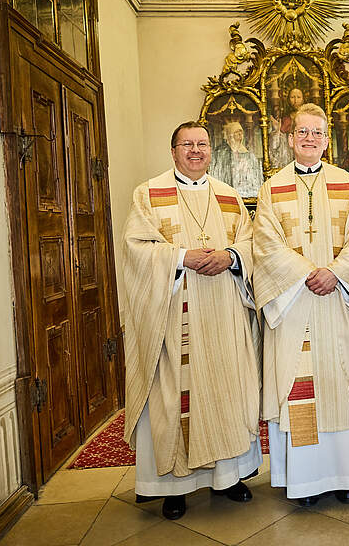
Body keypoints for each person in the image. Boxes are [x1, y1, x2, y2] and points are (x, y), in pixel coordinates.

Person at [122, 121, 261, 520]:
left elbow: (252, 245)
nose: (196, 151)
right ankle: (175, 487)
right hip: (175, 318)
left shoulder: (231, 197)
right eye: (188, 144)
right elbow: (135, 248)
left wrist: (232, 257)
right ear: (173, 151)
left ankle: (230, 477)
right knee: (174, 398)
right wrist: (180, 258)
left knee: (225, 391)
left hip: (224, 314)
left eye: (202, 144)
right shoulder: (149, 194)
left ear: (210, 151)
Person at [253, 103, 349, 506]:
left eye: (317, 133)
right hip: (295, 305)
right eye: (302, 132)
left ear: (328, 140)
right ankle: (305, 483)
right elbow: (265, 244)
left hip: (341, 301)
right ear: (290, 138)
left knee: (346, 385)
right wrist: (306, 273)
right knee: (301, 389)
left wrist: (335, 273)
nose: (309, 139)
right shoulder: (271, 188)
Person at [210, 120, 263, 198]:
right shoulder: (221, 152)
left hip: (245, 191)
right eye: (237, 132)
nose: (240, 134)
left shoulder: (248, 154)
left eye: (241, 132)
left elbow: (254, 174)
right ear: (230, 134)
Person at [267, 88, 304, 170]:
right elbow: (278, 139)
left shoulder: (307, 118)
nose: (295, 100)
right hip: (288, 154)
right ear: (288, 100)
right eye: (292, 97)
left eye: (298, 97)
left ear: (303, 99)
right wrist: (276, 131)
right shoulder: (285, 119)